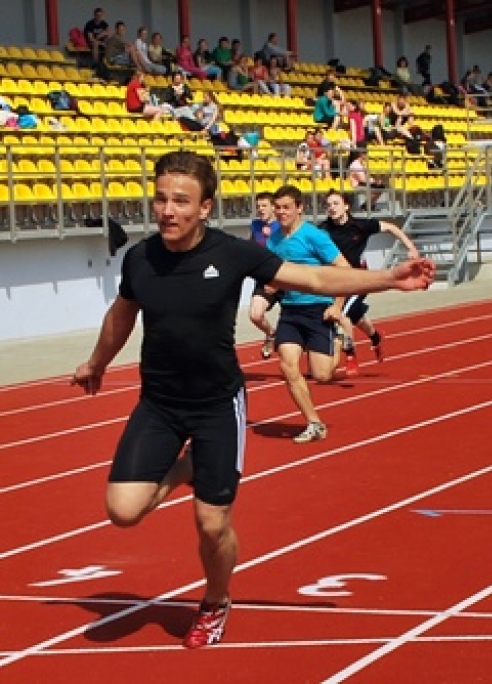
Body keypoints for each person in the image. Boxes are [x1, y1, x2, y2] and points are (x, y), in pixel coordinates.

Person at [70, 151, 433, 650]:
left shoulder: (231, 254)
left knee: (211, 524)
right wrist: (97, 361)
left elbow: (315, 279)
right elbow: (122, 313)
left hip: (218, 404)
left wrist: (389, 278)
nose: (167, 210)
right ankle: (188, 466)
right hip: (158, 402)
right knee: (123, 510)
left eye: (181, 201)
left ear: (205, 207)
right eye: (160, 199)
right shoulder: (140, 259)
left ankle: (215, 602)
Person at [266, 185, 351, 444]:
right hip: (290, 310)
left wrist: (336, 306)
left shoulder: (315, 236)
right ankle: (314, 423)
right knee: (288, 366)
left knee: (322, 375)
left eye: (286, 207)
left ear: (299, 208)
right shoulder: (273, 240)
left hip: (318, 309)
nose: (281, 212)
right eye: (277, 207)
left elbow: (344, 270)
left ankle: (338, 339)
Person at [319, 190, 420, 376]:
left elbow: (391, 227)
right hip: (334, 281)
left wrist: (411, 247)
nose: (331, 208)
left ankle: (350, 354)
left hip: (359, 280)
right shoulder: (323, 229)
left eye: (335, 204)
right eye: (328, 205)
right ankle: (375, 336)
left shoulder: (360, 226)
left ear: (346, 206)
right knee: (356, 317)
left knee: (341, 314)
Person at [248, 191, 281, 359]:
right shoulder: (255, 225)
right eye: (258, 206)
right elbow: (251, 247)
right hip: (264, 280)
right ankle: (271, 333)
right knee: (255, 315)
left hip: (287, 280)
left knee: (295, 327)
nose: (260, 209)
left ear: (274, 208)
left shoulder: (283, 226)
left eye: (264, 206)